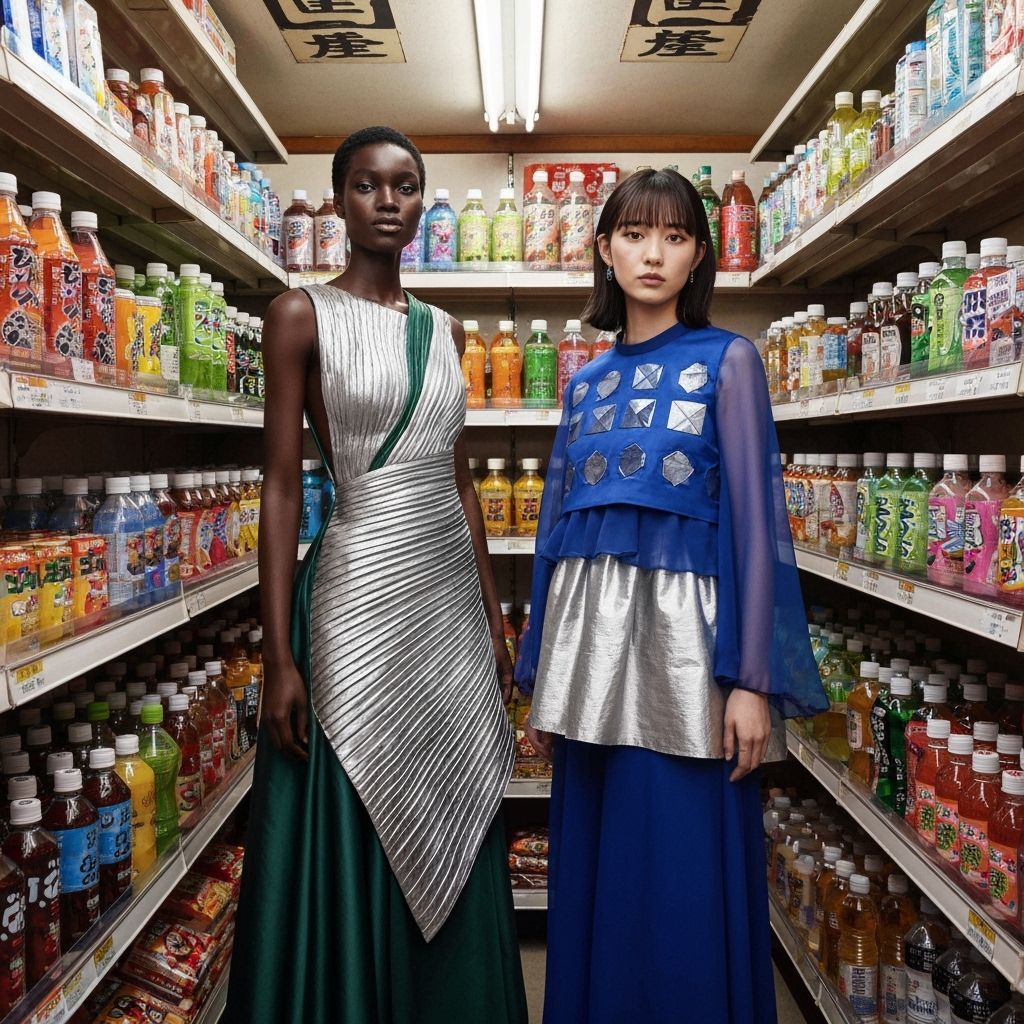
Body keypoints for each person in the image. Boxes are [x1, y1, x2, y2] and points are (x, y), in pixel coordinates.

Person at [225, 126, 527, 1024]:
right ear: (340, 200)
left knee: (454, 784)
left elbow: (462, 479)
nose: (387, 201)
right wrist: (279, 656)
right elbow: (283, 487)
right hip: (354, 597)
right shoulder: (298, 314)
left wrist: (490, 617)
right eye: (366, 186)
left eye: (405, 186)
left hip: (443, 605)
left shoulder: (447, 329)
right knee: (358, 796)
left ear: (424, 201)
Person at [515, 168, 828, 1024]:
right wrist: (542, 669)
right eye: (635, 234)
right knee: (598, 856)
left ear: (700, 256)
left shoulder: (728, 363)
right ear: (604, 250)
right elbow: (555, 536)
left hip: (689, 667)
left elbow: (758, 527)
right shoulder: (582, 385)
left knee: (682, 863)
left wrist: (752, 679)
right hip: (589, 670)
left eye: (677, 236)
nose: (654, 253)